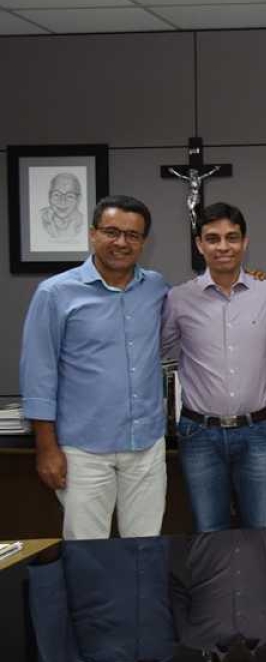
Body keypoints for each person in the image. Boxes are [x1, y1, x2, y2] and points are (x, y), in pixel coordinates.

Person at [20, 195, 169, 539]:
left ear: (144, 241)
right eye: (112, 232)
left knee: (145, 549)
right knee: (87, 555)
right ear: (92, 234)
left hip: (145, 446)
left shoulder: (157, 288)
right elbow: (38, 375)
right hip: (83, 452)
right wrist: (46, 448)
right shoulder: (55, 293)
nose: (121, 242)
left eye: (132, 235)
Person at [162, 202, 266, 532]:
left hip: (260, 431)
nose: (223, 246)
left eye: (232, 237)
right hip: (200, 434)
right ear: (199, 244)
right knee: (208, 532)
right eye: (213, 238)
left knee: (263, 530)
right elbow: (160, 351)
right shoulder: (177, 299)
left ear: (245, 243)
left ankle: (261, 586)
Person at [38, 172, 86, 241]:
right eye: (57, 194)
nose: (62, 201)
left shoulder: (84, 222)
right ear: (49, 197)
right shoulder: (38, 218)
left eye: (70, 196)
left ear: (78, 199)